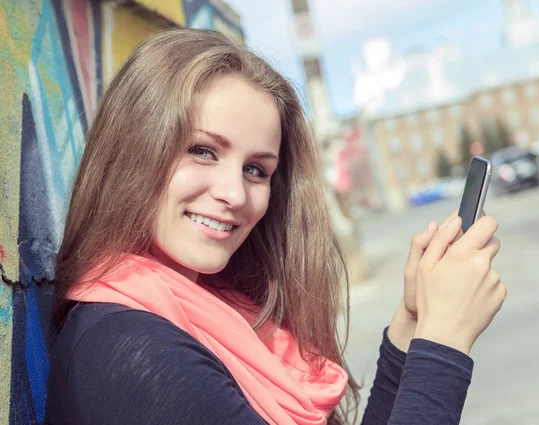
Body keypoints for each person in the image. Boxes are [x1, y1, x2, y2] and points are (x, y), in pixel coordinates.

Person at [44, 29, 505, 425]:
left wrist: (414, 324)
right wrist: (443, 344)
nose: (235, 194)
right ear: (135, 150)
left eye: (256, 170)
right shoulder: (128, 350)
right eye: (202, 151)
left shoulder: (218, 312)